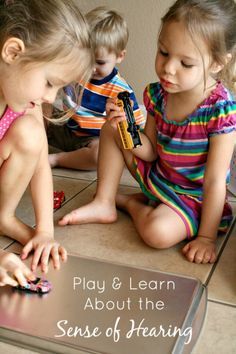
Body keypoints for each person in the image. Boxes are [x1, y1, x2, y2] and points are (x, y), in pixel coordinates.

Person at [59, 0, 236, 264]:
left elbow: (213, 182)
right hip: (159, 177)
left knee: (157, 233)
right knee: (111, 127)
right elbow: (151, 152)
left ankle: (130, 203)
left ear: (217, 64)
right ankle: (104, 201)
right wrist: (125, 125)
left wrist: (206, 238)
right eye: (164, 52)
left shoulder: (221, 111)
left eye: (186, 63)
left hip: (194, 197)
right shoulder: (157, 94)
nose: (168, 68)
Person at [0, 0, 93, 286]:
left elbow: (40, 164)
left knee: (32, 132)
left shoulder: (26, 103)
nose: (51, 98)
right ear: (13, 52)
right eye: (49, 82)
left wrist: (45, 231)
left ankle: (3, 217)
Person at [47, 6, 145, 170]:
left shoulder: (121, 91)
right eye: (86, 59)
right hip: (66, 128)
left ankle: (57, 159)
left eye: (99, 62)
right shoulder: (75, 71)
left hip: (92, 140)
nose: (91, 68)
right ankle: (39, 148)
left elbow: (135, 131)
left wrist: (118, 121)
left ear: (120, 56)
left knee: (100, 155)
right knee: (37, 111)